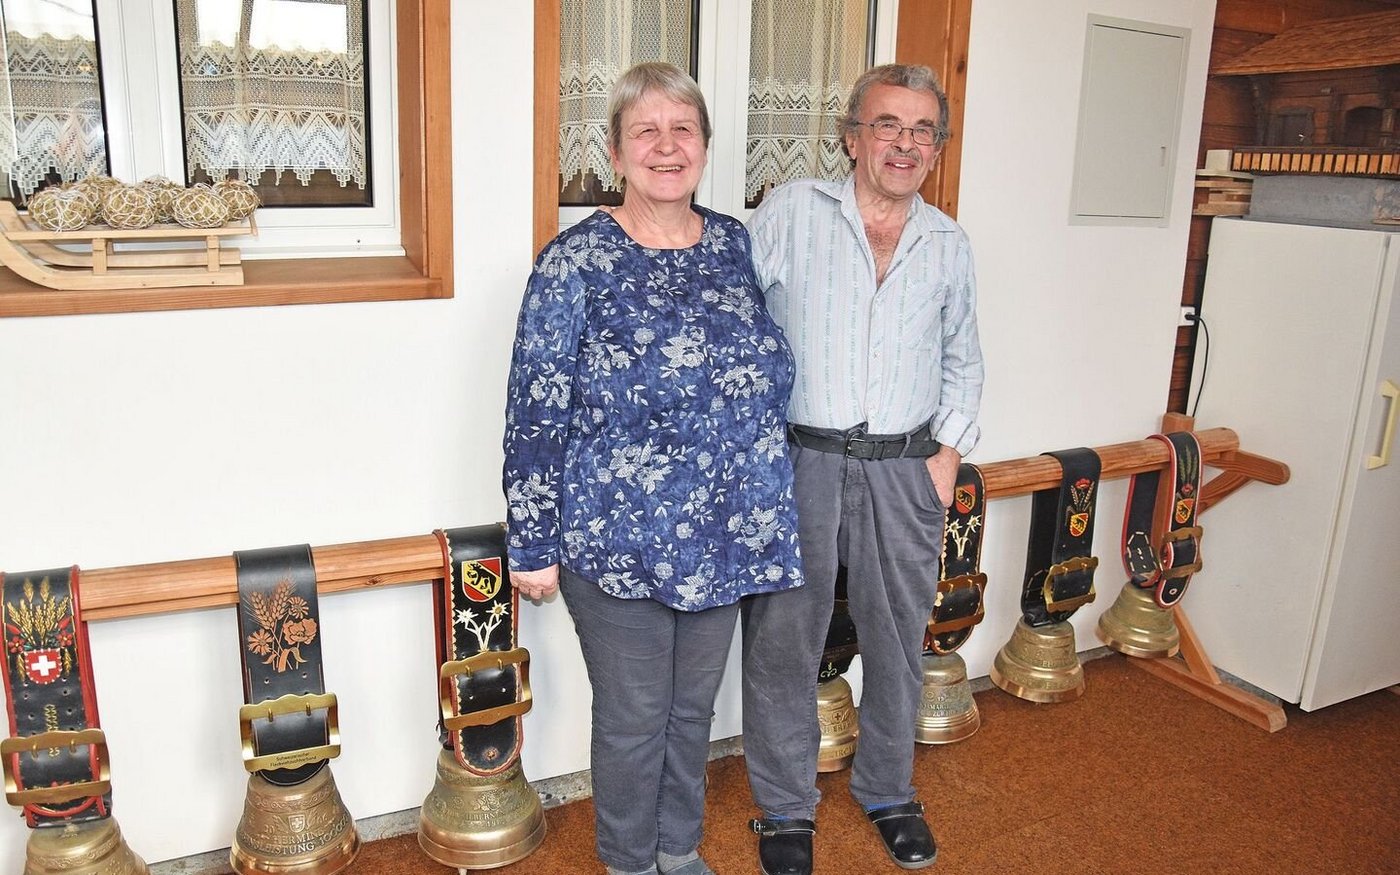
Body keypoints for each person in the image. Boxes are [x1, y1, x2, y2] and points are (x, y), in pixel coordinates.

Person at [502, 61, 805, 875]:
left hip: (722, 531)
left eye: (683, 130)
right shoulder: (574, 261)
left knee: (691, 711)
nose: (666, 147)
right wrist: (531, 541)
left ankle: (679, 848)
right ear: (615, 149)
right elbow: (535, 405)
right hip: (614, 534)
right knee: (636, 714)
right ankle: (630, 860)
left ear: (704, 146)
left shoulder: (733, 243)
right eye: (647, 131)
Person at [740, 63, 983, 875]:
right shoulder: (791, 214)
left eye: (922, 130)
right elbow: (737, 326)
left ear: (937, 148)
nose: (904, 144)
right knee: (783, 641)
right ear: (852, 136)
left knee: (897, 640)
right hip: (800, 460)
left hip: (903, 467)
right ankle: (783, 806)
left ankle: (887, 786)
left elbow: (964, 358)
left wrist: (945, 453)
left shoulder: (948, 243)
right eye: (888, 125)